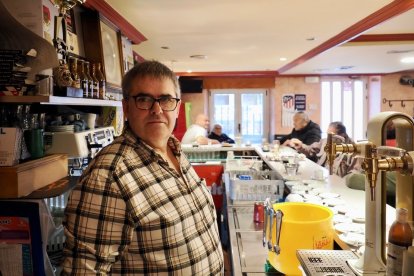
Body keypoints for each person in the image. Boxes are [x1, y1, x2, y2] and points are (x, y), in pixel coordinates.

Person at [62, 61, 224, 274]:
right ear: (126, 107)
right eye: (144, 99)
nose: (157, 110)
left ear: (177, 106)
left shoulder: (174, 150)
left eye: (165, 99)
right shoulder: (108, 177)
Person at [289, 121, 355, 176]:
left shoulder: (353, 150)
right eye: (327, 135)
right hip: (320, 176)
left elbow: (354, 173)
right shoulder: (324, 141)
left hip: (337, 184)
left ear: (342, 135)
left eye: (332, 136)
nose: (329, 138)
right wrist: (301, 146)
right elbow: (310, 150)